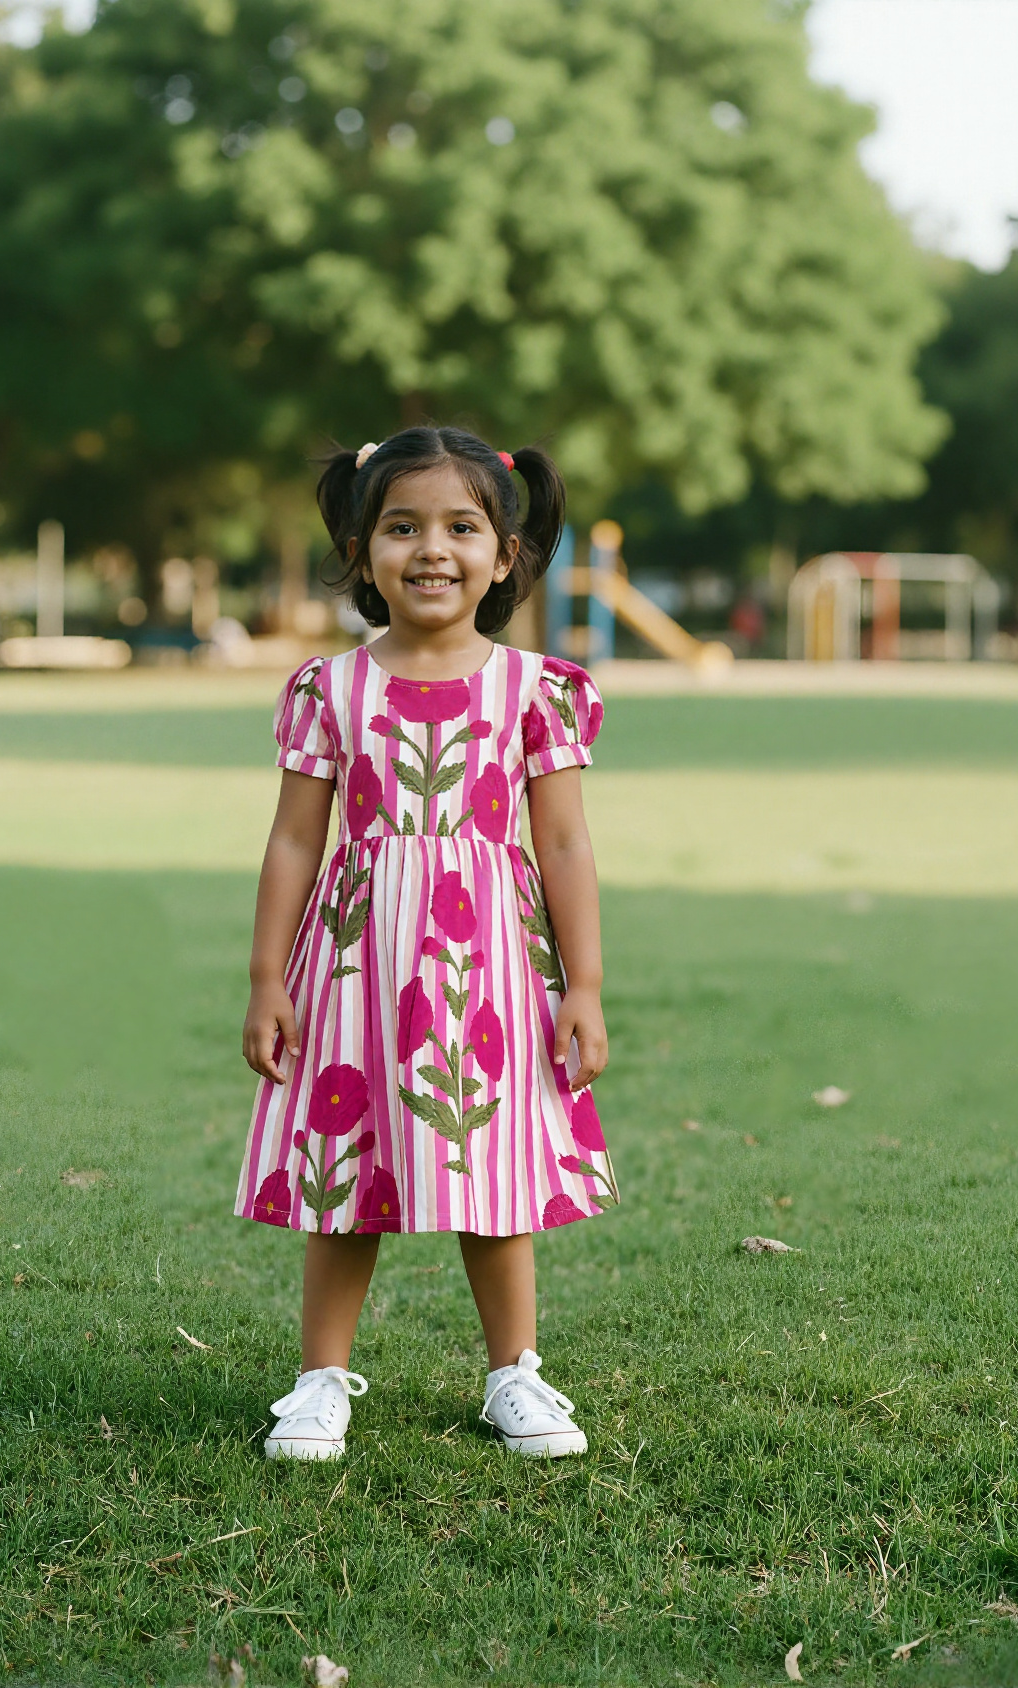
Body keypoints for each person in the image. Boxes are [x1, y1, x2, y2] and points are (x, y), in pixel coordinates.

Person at [237, 426, 618, 1462]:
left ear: (505, 554)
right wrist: (268, 976)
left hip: (487, 962)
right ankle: (319, 1379)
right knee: (343, 1168)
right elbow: (290, 841)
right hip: (355, 966)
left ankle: (513, 1374)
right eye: (400, 525)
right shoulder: (329, 690)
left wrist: (581, 982)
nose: (431, 548)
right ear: (361, 551)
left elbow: (567, 841)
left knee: (488, 1165)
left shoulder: (535, 689)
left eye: (461, 525)